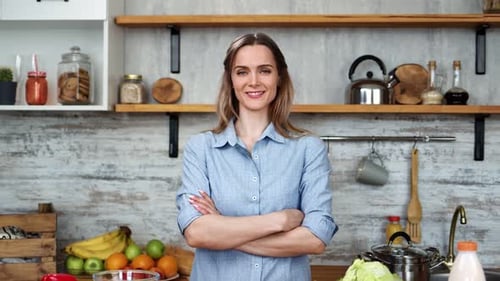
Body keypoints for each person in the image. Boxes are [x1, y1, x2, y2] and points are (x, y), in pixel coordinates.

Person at [176, 32, 338, 281]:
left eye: (264, 70)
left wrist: (221, 226)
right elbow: (197, 234)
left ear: (279, 78)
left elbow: (315, 238)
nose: (253, 81)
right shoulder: (201, 148)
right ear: (230, 80)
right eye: (242, 72)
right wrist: (281, 220)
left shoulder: (309, 149)